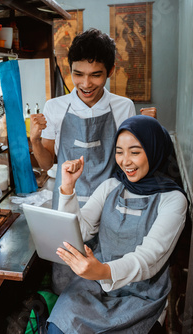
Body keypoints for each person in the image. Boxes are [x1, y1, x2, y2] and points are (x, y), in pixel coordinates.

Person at [46, 115, 188, 334]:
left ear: (154, 150)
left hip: (141, 294)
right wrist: (67, 188)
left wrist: (103, 271)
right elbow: (81, 231)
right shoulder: (111, 185)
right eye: (119, 152)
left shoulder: (172, 199)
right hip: (94, 284)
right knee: (58, 327)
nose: (125, 161)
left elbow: (148, 260)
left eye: (135, 152)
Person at [30, 28, 156, 211]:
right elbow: (47, 164)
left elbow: (134, 160)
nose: (86, 84)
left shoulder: (123, 106)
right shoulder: (54, 107)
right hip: (67, 199)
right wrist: (35, 140)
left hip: (111, 201)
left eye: (95, 75)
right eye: (78, 74)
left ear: (110, 71)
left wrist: (150, 129)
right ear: (70, 68)